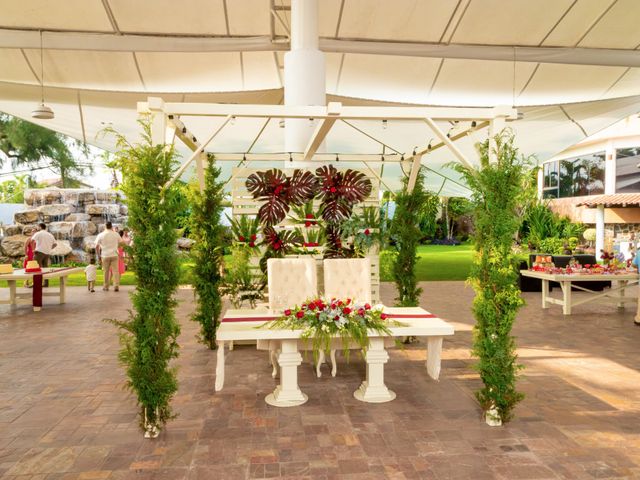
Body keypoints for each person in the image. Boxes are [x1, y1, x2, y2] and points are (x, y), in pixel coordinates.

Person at [95, 221, 123, 292]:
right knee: (115, 271)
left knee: (106, 271)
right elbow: (121, 243)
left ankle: (106, 286)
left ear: (105, 226)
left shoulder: (100, 235)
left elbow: (96, 246)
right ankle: (116, 286)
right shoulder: (116, 234)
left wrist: (98, 256)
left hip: (105, 255)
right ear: (111, 226)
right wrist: (116, 247)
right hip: (114, 254)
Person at [31, 223, 57, 287]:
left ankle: (36, 284)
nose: (37, 228)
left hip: (39, 252)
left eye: (38, 227)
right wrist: (49, 249)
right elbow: (55, 244)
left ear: (40, 227)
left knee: (36, 268)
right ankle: (46, 283)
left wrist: (33, 250)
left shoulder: (39, 233)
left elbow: (32, 240)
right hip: (47, 253)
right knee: (45, 268)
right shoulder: (50, 235)